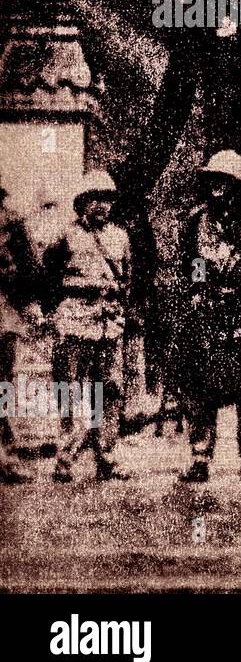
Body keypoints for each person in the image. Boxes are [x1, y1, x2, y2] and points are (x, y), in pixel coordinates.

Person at [173, 151, 241, 483]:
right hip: (209, 310)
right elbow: (191, 260)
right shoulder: (197, 220)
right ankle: (200, 456)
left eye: (224, 180)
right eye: (212, 179)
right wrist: (199, 289)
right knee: (202, 386)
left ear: (237, 184)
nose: (217, 186)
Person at [45, 171, 131, 482]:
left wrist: (120, 310)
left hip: (108, 325)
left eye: (107, 200)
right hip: (74, 323)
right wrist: (55, 313)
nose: (101, 206)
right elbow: (48, 279)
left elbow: (127, 281)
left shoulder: (120, 237)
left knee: (108, 392)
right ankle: (65, 460)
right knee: (69, 392)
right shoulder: (66, 236)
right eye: (94, 199)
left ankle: (106, 457)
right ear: (82, 203)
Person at [0, 180, 40, 483]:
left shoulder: (12, 222)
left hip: (3, 309)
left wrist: (28, 302)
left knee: (3, 381)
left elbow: (28, 268)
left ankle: (7, 454)